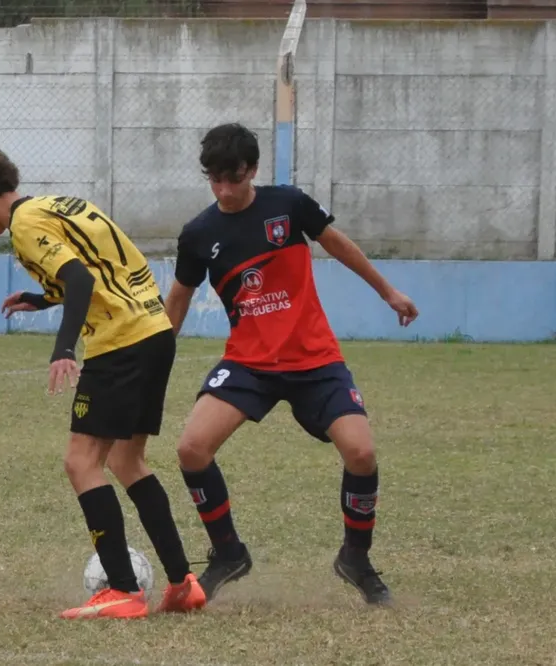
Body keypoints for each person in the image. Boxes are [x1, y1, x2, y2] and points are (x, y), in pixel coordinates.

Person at [0, 138, 206, 619]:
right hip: (154, 330)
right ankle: (183, 582)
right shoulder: (62, 205)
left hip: (119, 342)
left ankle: (121, 590)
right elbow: (104, 268)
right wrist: (41, 299)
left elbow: (80, 280)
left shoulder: (24, 224)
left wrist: (63, 348)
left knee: (81, 463)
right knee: (127, 460)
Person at [163, 123, 419, 606]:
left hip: (314, 357)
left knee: (361, 454)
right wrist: (152, 361)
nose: (224, 189)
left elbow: (338, 245)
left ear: (252, 170)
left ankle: (355, 559)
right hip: (249, 362)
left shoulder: (287, 204)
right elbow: (177, 299)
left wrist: (389, 292)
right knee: (192, 448)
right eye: (214, 179)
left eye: (233, 178)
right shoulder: (199, 234)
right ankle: (229, 553)